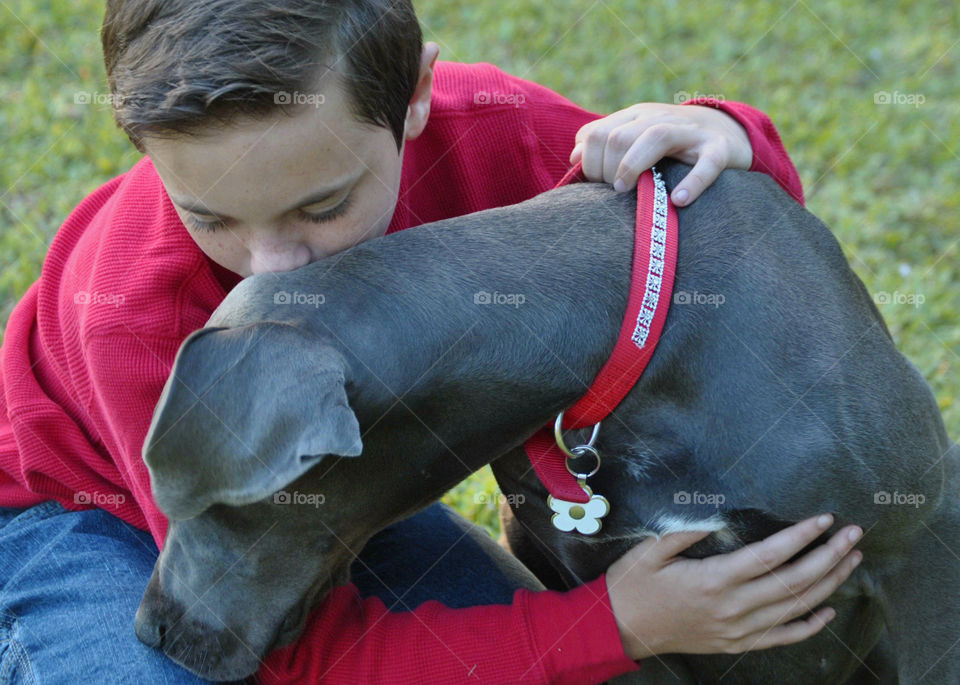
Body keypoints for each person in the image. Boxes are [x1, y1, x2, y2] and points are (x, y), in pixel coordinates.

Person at [0, 1, 864, 683]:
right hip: (87, 513)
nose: (273, 265)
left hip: (338, 504)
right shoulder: (131, 314)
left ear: (413, 98)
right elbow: (286, 660)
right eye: (210, 218)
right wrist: (617, 621)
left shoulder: (491, 129)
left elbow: (674, 243)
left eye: (324, 205)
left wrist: (726, 133)